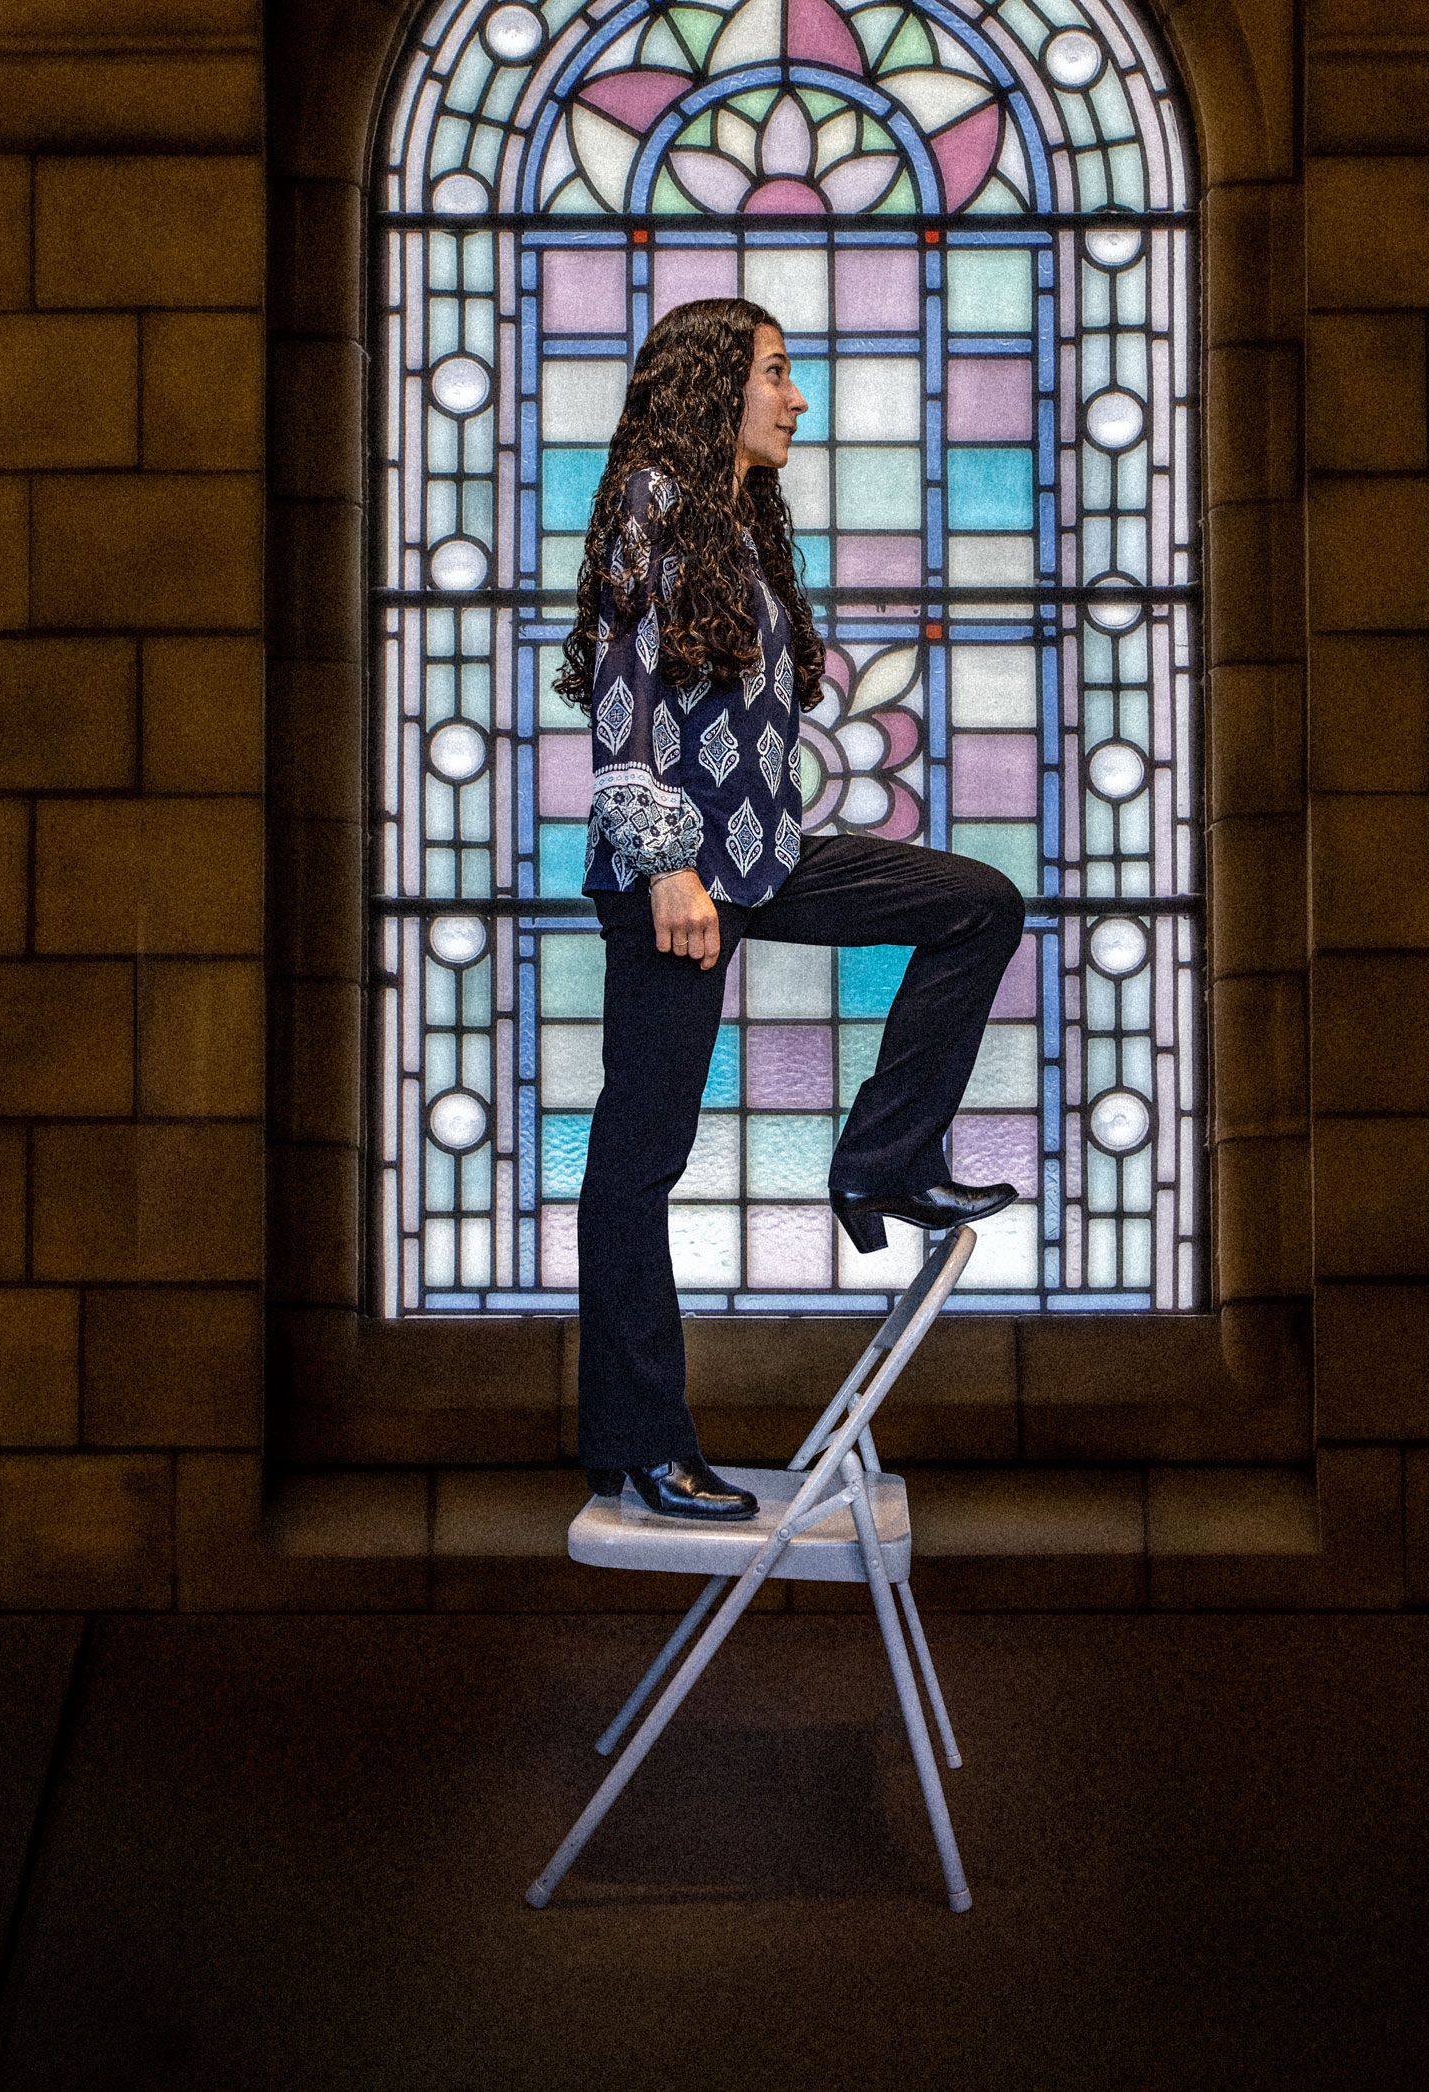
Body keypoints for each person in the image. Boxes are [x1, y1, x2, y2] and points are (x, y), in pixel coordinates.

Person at [562, 297, 1026, 1523]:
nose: (797, 397)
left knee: (979, 904)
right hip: (675, 882)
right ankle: (643, 1447)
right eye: (777, 373)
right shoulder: (647, 504)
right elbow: (620, 705)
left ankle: (883, 1159)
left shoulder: (739, 522)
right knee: (636, 1163)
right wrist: (666, 863)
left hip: (762, 858)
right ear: (719, 384)